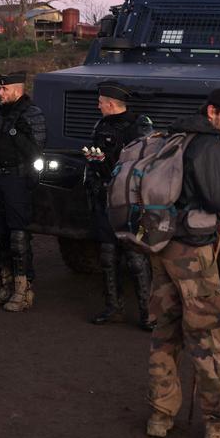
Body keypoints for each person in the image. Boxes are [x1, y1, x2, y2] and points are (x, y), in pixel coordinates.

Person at [144, 88, 220, 438]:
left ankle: (161, 416)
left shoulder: (173, 136)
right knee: (207, 336)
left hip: (160, 247)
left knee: (166, 331)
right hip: (192, 253)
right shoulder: (207, 145)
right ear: (212, 111)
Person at [84, 81, 155, 331]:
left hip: (128, 200)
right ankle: (113, 308)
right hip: (104, 196)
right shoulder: (101, 124)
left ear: (112, 104)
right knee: (107, 256)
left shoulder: (139, 126)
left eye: (101, 102)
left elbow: (146, 163)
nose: (98, 106)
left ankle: (149, 314)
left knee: (136, 258)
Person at [0, 71, 45, 312]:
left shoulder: (31, 114)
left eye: (4, 89)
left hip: (18, 180)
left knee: (18, 236)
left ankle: (23, 288)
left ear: (16, 90)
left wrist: (14, 133)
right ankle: (5, 285)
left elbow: (37, 151)